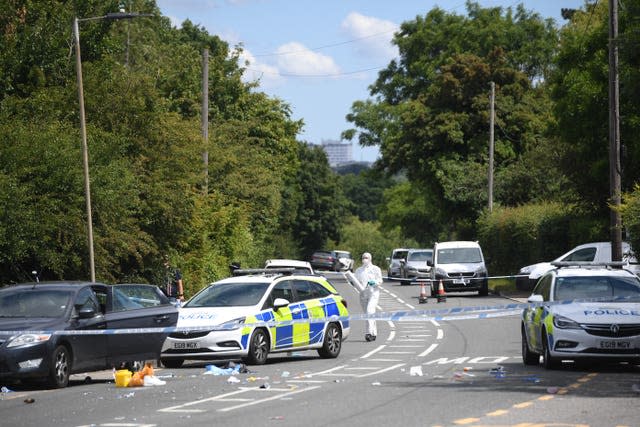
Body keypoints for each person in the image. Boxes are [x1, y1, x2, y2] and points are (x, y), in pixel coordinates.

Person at [355, 252, 383, 342]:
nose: (364, 259)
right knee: (367, 314)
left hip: (373, 293)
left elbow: (380, 280)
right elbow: (356, 281)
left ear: (370, 259)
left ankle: (369, 333)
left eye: (366, 257)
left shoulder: (375, 269)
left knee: (369, 311)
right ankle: (374, 333)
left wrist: (374, 283)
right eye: (363, 257)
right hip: (363, 294)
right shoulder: (358, 270)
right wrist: (354, 283)